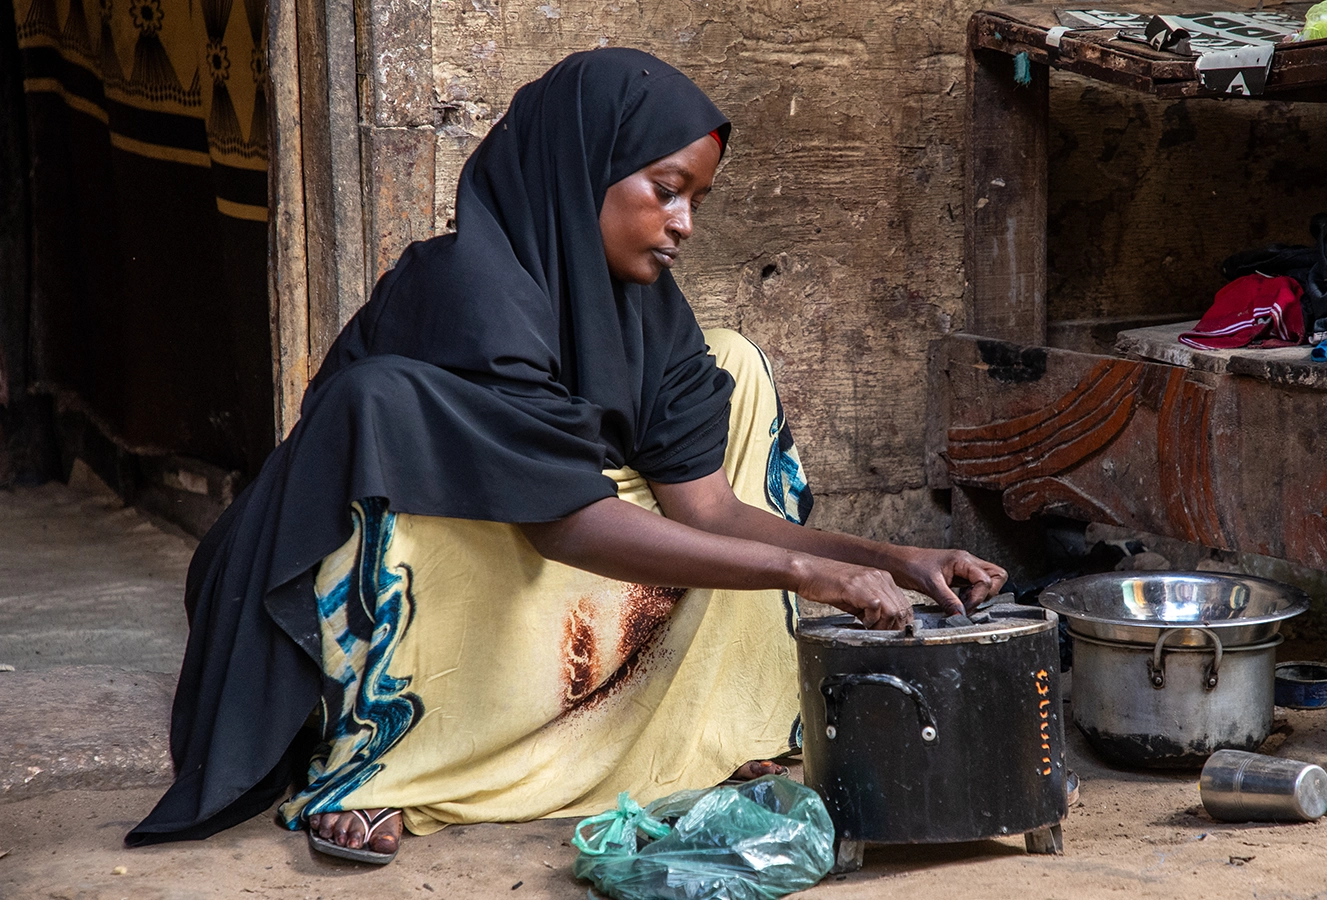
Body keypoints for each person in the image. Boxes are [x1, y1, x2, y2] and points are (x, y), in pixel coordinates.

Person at [125, 47, 1007, 864]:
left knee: (735, 359)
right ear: (582, 169)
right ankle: (381, 767)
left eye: (693, 198)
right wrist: (803, 575)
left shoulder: (643, 307)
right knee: (377, 407)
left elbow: (708, 509)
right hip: (399, 561)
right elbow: (567, 526)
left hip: (545, 553)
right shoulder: (470, 292)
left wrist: (894, 559)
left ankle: (681, 728)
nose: (683, 223)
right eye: (665, 189)